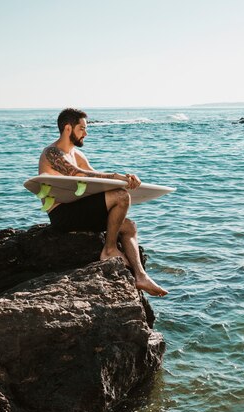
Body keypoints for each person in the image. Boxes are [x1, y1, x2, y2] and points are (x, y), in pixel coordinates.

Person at [38, 108, 168, 297]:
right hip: (62, 215)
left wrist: (127, 179)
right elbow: (78, 174)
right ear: (68, 128)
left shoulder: (77, 155)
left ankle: (141, 276)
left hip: (80, 211)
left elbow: (97, 182)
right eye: (82, 128)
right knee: (122, 197)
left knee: (129, 226)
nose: (86, 133)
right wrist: (117, 178)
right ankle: (109, 249)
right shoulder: (51, 153)